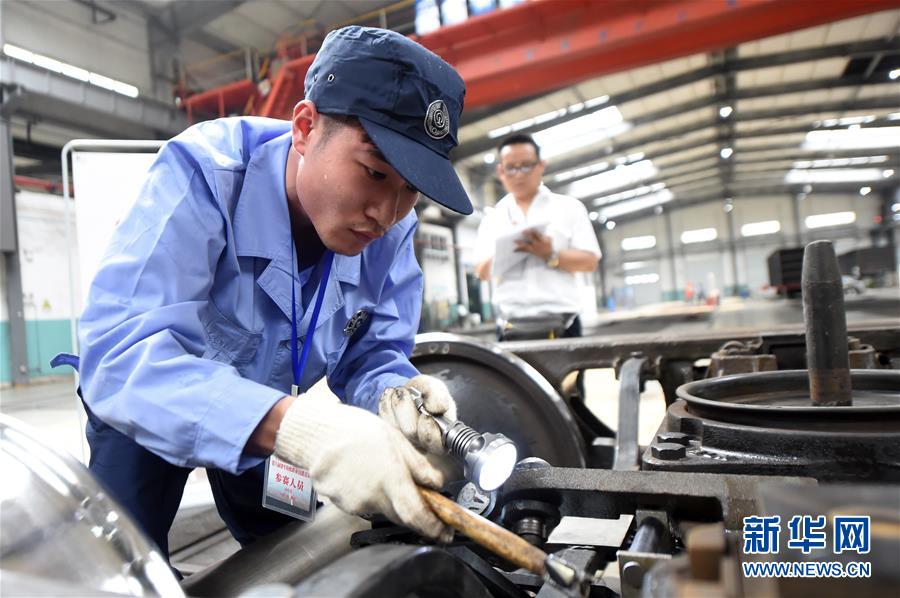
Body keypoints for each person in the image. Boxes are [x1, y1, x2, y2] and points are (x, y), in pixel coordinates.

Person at [70, 26, 473, 559]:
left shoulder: (392, 230)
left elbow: (373, 350)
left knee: (301, 554)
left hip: (273, 408)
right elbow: (122, 357)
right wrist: (300, 429)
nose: (386, 213)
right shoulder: (205, 174)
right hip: (150, 402)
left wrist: (394, 396)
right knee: (122, 564)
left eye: (409, 192)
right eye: (374, 172)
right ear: (305, 128)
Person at [474, 134, 601, 341]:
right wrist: (508, 247)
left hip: (563, 322)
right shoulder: (493, 217)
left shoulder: (569, 208)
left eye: (526, 166)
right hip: (511, 323)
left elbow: (590, 261)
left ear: (541, 165)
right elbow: (481, 271)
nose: (518, 174)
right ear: (500, 171)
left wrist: (550, 254)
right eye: (511, 167)